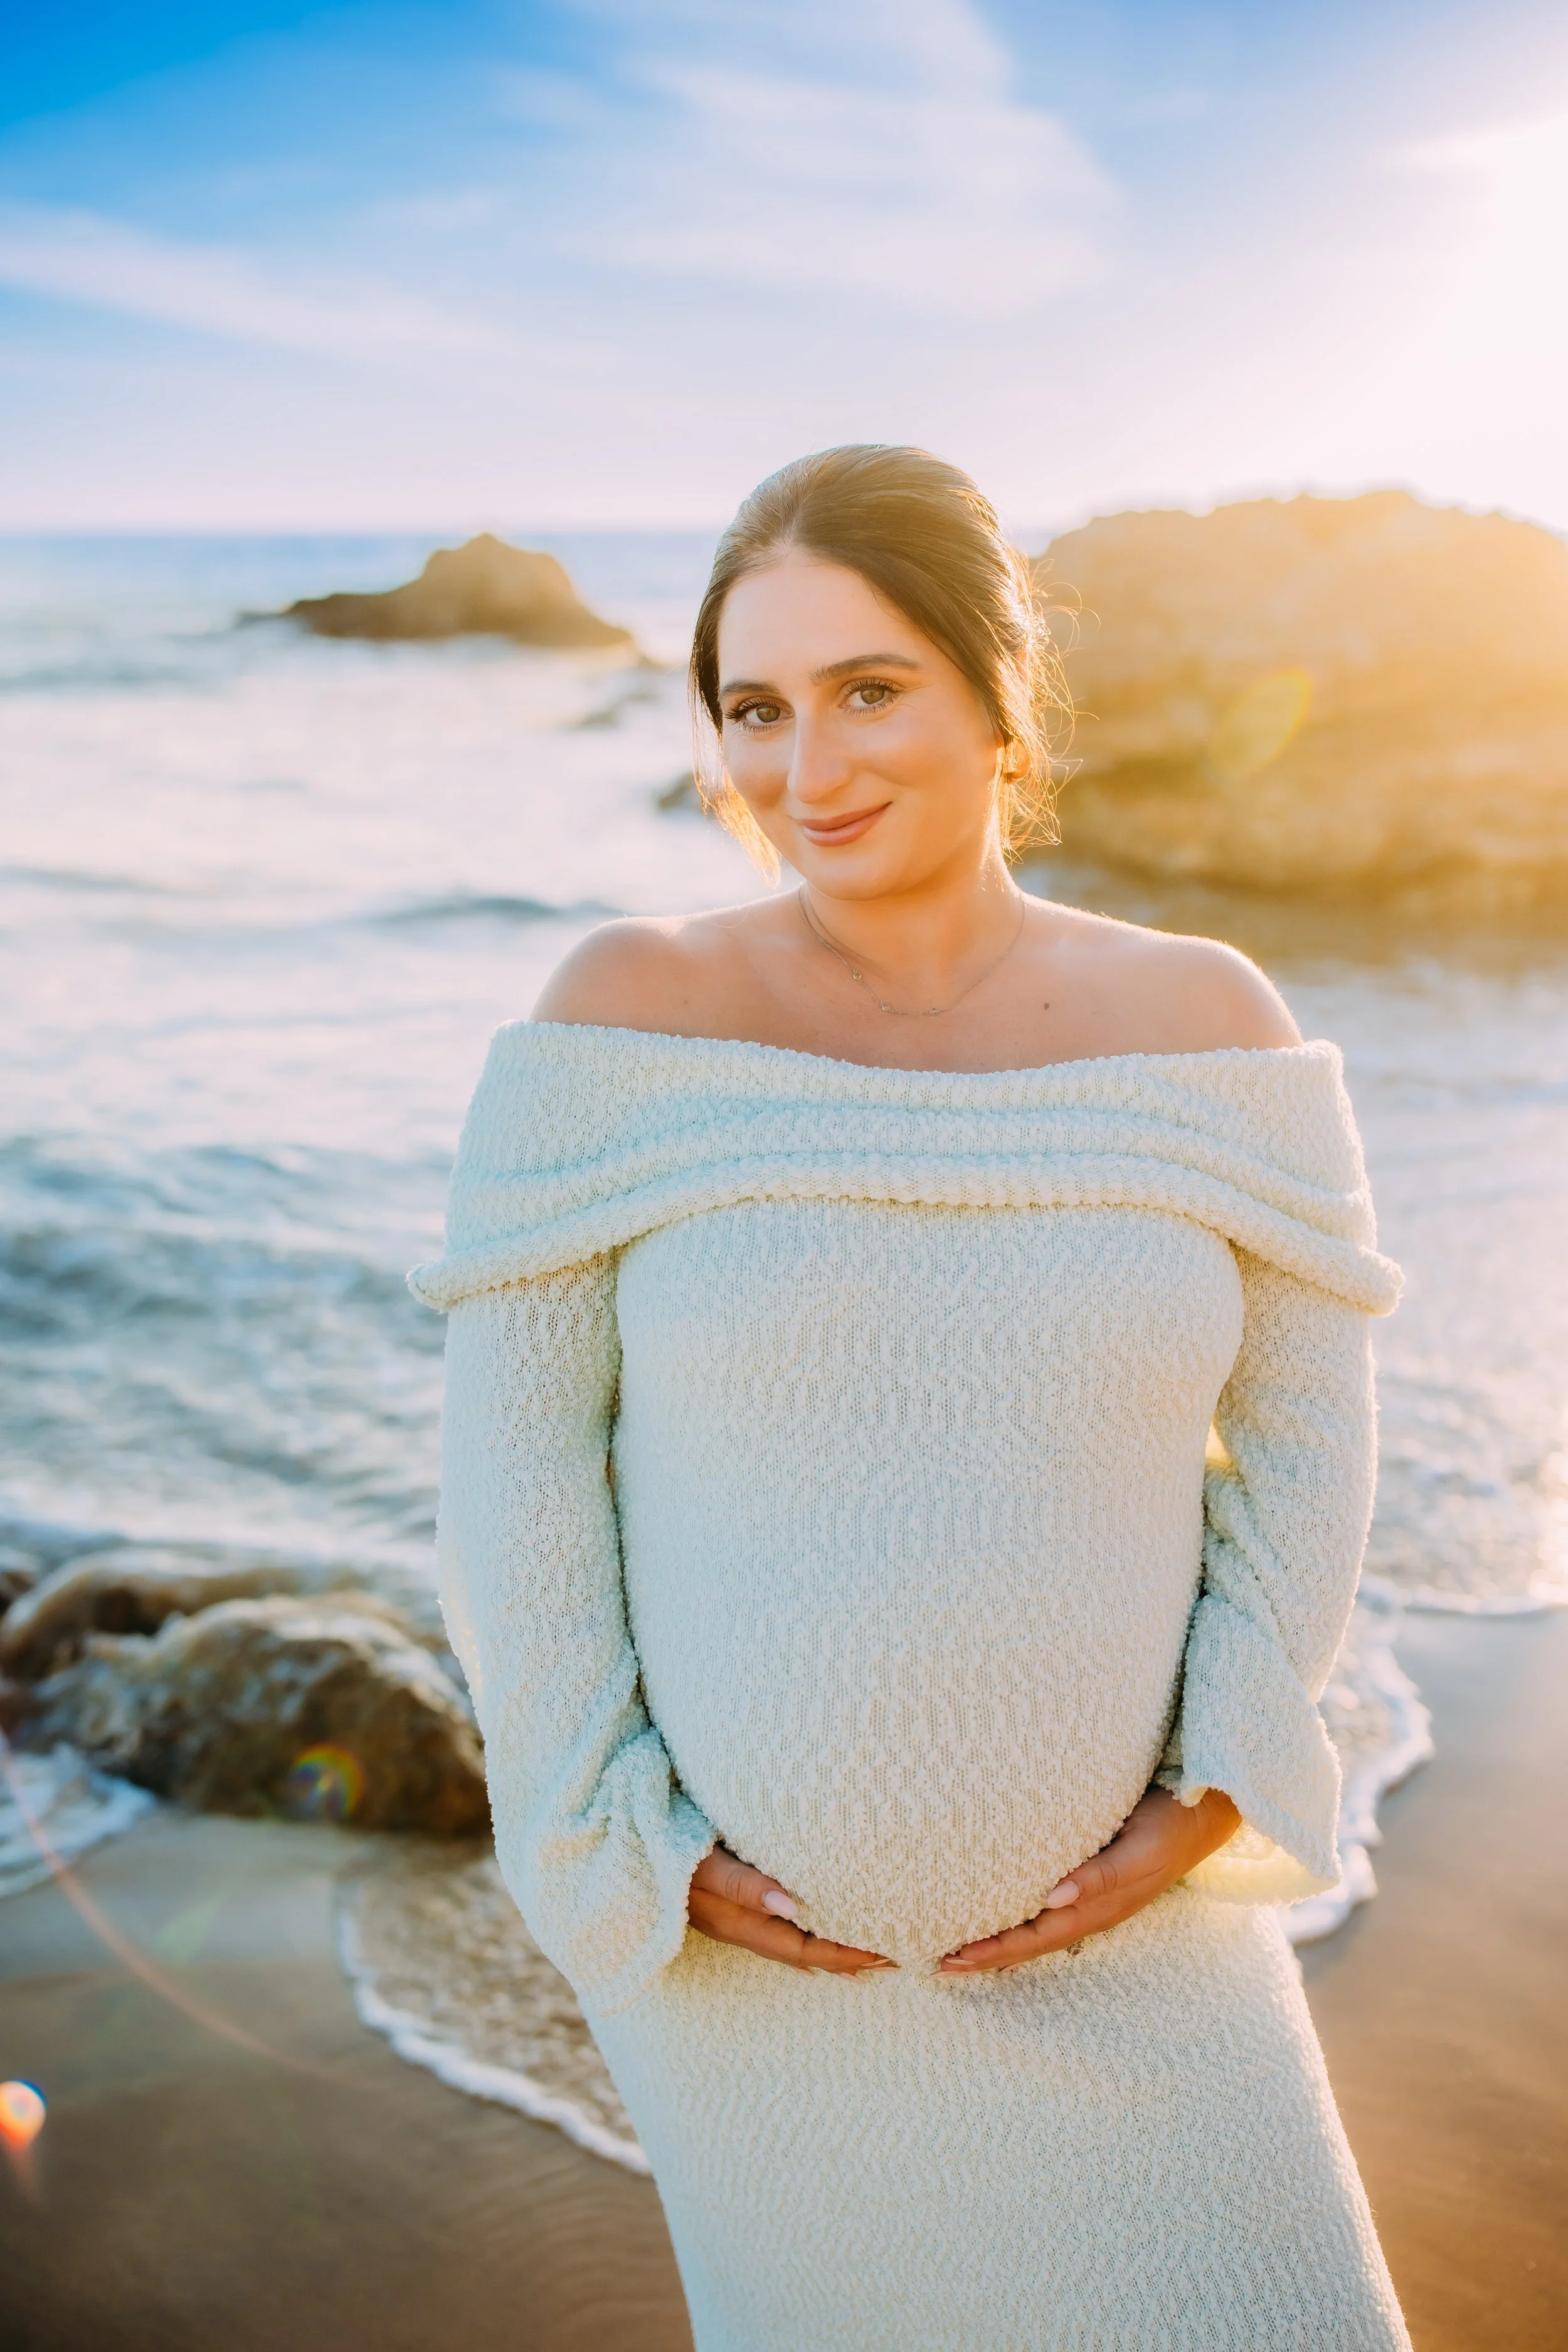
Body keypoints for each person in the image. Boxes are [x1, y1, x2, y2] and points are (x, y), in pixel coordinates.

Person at [413, 445, 1411, 2349]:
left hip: (1146, 1945)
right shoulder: (619, 1015)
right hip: (756, 1979)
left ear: (993, 688)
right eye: (755, 709)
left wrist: (1215, 1786)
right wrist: (619, 1833)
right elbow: (513, 1476)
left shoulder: (1208, 1026)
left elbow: (1308, 1437)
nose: (809, 768)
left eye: (870, 688)